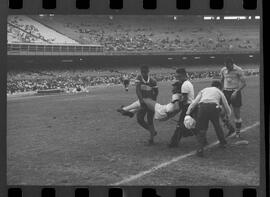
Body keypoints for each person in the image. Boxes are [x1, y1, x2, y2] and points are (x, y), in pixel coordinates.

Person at [185, 80, 231, 157]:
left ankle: (200, 149)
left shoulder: (204, 90)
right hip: (214, 108)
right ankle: (223, 143)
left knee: (201, 129)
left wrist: (187, 113)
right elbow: (226, 106)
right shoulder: (219, 91)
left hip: (202, 107)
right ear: (219, 87)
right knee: (217, 126)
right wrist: (228, 116)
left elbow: (194, 103)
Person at [117, 81, 182, 121]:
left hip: (162, 111)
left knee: (144, 100)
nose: (172, 88)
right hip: (163, 111)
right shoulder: (180, 96)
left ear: (177, 88)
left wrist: (168, 114)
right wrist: (169, 116)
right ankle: (132, 112)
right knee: (144, 104)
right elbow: (177, 108)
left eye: (174, 87)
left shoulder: (176, 95)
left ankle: (124, 109)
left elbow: (176, 108)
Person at [168, 68, 195, 148]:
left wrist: (177, 103)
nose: (177, 77)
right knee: (187, 125)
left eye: (178, 76)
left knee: (180, 125)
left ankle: (173, 143)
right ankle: (201, 139)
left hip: (187, 106)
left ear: (182, 75)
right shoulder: (187, 83)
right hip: (190, 106)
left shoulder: (185, 85)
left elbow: (185, 99)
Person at [220, 58, 246, 138]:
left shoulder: (238, 70)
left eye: (229, 66)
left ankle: (237, 133)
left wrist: (236, 91)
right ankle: (230, 128)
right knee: (221, 113)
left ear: (232, 64)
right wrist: (220, 91)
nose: (227, 68)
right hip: (225, 92)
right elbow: (222, 80)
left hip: (235, 92)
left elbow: (244, 83)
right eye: (226, 66)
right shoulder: (223, 70)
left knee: (237, 114)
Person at [134, 66, 159, 145]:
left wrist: (152, 102)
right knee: (139, 119)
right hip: (143, 102)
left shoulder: (153, 81)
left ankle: (151, 139)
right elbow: (137, 90)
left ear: (148, 71)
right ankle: (152, 131)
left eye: (145, 72)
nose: (143, 73)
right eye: (142, 72)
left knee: (150, 119)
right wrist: (141, 101)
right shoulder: (139, 78)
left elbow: (156, 92)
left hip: (150, 102)